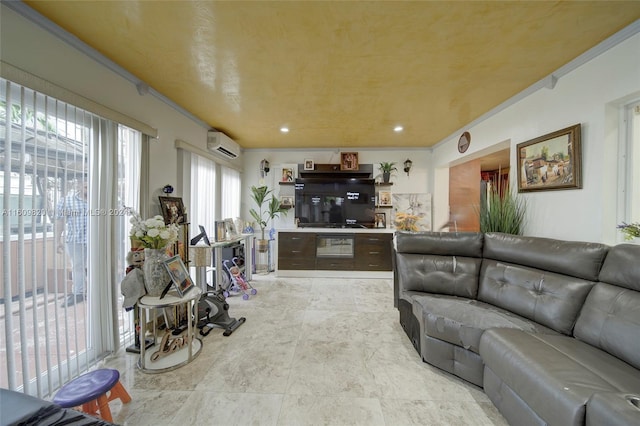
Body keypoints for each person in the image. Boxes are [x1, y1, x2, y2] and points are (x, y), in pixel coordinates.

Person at [56, 179, 88, 307]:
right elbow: (60, 221)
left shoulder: (101, 200)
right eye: (85, 184)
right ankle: (78, 294)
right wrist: (57, 240)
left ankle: (98, 292)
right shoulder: (67, 201)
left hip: (97, 242)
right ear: (79, 185)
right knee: (77, 267)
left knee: (99, 267)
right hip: (76, 240)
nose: (88, 186)